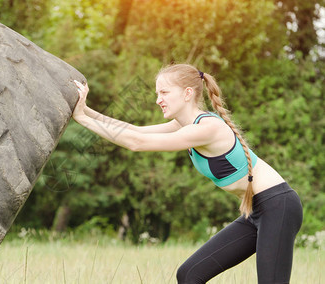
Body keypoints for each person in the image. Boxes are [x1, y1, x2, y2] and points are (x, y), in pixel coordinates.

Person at [71, 63, 303, 284]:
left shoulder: (207, 128)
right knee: (190, 274)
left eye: (164, 92)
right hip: (256, 210)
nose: (157, 100)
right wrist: (85, 109)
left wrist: (81, 118)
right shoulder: (185, 125)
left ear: (187, 93)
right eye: (157, 93)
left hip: (278, 205)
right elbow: (133, 130)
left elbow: (136, 142)